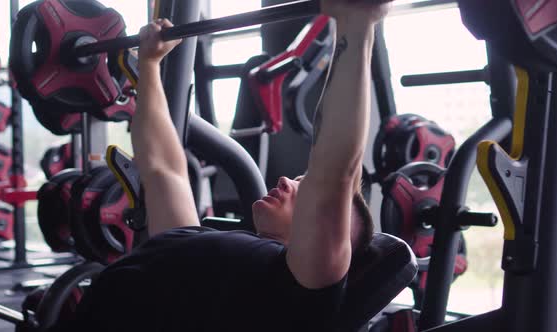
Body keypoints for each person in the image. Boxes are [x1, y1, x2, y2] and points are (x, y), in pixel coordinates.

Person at [74, 1, 390, 331]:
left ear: (331, 239)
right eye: (299, 180)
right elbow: (162, 169)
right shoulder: (196, 247)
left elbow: (335, 173)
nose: (285, 182)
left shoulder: (299, 292)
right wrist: (150, 65)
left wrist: (358, 25)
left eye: (304, 190)